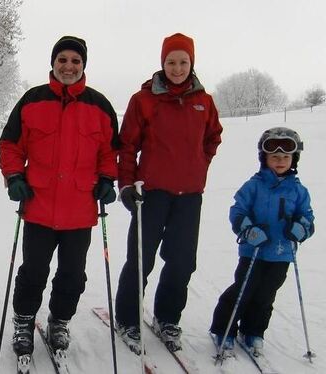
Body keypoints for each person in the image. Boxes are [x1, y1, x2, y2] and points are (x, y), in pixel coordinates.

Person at [0, 35, 119, 357]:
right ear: (53, 63)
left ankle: (60, 320)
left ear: (83, 65)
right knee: (33, 270)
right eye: (63, 60)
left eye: (75, 61)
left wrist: (108, 179)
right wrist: (13, 176)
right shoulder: (32, 101)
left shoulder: (100, 106)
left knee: (72, 274)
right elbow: (10, 145)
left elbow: (109, 152)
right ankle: (24, 320)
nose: (68, 66)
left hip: (80, 210)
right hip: (38, 206)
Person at [114, 32, 223, 354]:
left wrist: (199, 162)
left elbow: (213, 137)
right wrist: (126, 185)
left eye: (183, 62)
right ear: (162, 63)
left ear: (192, 63)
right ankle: (128, 319)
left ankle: (167, 317)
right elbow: (127, 146)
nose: (177, 68)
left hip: (189, 195)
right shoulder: (143, 99)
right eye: (171, 62)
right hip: (152, 194)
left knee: (182, 262)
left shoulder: (205, 101)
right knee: (140, 259)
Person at [210, 127, 314, 357]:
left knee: (266, 295)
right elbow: (238, 211)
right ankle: (223, 329)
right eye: (274, 156)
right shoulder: (253, 186)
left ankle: (253, 331)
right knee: (243, 290)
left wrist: (300, 228)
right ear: (264, 158)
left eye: (285, 157)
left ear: (293, 159)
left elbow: (307, 217)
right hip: (254, 251)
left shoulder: (298, 190)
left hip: (282, 253)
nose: (280, 161)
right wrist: (248, 229)